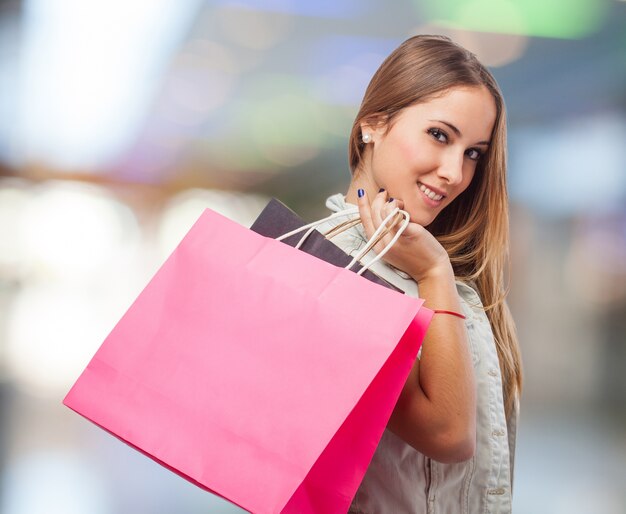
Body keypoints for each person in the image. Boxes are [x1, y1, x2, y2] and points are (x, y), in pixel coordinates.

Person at [315, 35, 523, 513]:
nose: (455, 172)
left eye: (474, 153)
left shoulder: (441, 263)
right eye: (440, 135)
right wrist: (433, 273)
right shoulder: (333, 267)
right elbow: (448, 435)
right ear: (373, 123)